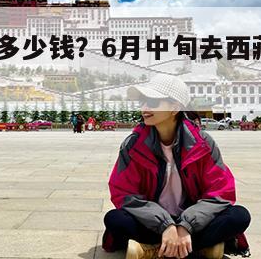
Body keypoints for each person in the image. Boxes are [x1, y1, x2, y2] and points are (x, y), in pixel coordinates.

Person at [103, 74, 250, 259]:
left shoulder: (202, 143)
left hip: (192, 219)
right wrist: (165, 225)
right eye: (143, 101)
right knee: (115, 219)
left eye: (152, 102)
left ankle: (154, 249)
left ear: (175, 108)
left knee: (239, 216)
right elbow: (124, 194)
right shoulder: (133, 145)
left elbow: (221, 192)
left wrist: (185, 225)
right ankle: (195, 249)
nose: (144, 108)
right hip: (152, 221)